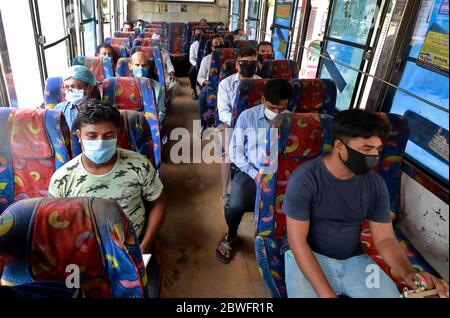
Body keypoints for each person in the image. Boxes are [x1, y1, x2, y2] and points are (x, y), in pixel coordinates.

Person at [283, 109, 450, 298]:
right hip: (309, 256)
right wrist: (326, 294)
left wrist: (408, 273)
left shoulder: (375, 184)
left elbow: (384, 238)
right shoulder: (305, 179)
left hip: (354, 259)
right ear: (339, 146)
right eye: (366, 149)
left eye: (377, 150)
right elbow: (297, 241)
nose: (374, 157)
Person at [48, 100, 166, 297]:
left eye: (108, 136)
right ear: (79, 136)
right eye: (92, 136)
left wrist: (144, 246)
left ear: (118, 135)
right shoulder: (63, 179)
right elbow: (56, 228)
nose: (100, 142)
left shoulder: (139, 165)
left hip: (134, 248)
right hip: (84, 255)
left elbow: (158, 203)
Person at [216, 79, 293, 264]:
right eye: (272, 107)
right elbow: (235, 152)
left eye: (281, 109)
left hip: (284, 174)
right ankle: (232, 234)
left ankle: (288, 241)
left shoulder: (293, 120)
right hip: (253, 171)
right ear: (262, 99)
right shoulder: (246, 117)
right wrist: (255, 174)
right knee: (235, 205)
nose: (276, 113)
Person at [216, 47, 261, 203]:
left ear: (258, 64)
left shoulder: (262, 84)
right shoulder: (225, 84)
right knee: (229, 153)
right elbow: (223, 112)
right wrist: (241, 125)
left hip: (256, 125)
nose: (248, 65)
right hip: (228, 125)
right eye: (244, 62)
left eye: (252, 62)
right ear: (237, 64)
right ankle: (227, 191)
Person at [54, 65, 100, 129]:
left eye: (75, 86)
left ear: (89, 87)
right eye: (66, 87)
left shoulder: (102, 111)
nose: (70, 90)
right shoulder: (59, 110)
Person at [196, 35, 225, 133]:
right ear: (212, 47)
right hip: (211, 84)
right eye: (216, 44)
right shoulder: (207, 59)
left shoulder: (232, 59)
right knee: (203, 96)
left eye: (220, 43)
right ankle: (203, 124)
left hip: (226, 85)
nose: (219, 45)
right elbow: (200, 77)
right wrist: (205, 81)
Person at [129, 51, 166, 123]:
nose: (140, 68)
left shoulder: (157, 87)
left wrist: (153, 124)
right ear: (130, 66)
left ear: (148, 67)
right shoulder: (123, 87)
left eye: (143, 65)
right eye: (137, 65)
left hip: (150, 123)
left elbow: (161, 112)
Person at [152, 33, 181, 103]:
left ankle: (169, 100)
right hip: (152, 76)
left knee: (176, 84)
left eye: (162, 41)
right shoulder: (148, 52)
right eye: (159, 41)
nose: (161, 43)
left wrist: (172, 74)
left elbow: (169, 64)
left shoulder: (165, 52)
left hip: (164, 75)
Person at [189, 27, 205, 100]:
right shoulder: (193, 45)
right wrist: (197, 65)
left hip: (207, 64)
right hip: (197, 64)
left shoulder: (208, 44)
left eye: (200, 33)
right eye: (196, 34)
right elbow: (191, 58)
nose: (198, 35)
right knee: (191, 72)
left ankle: (203, 88)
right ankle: (193, 89)